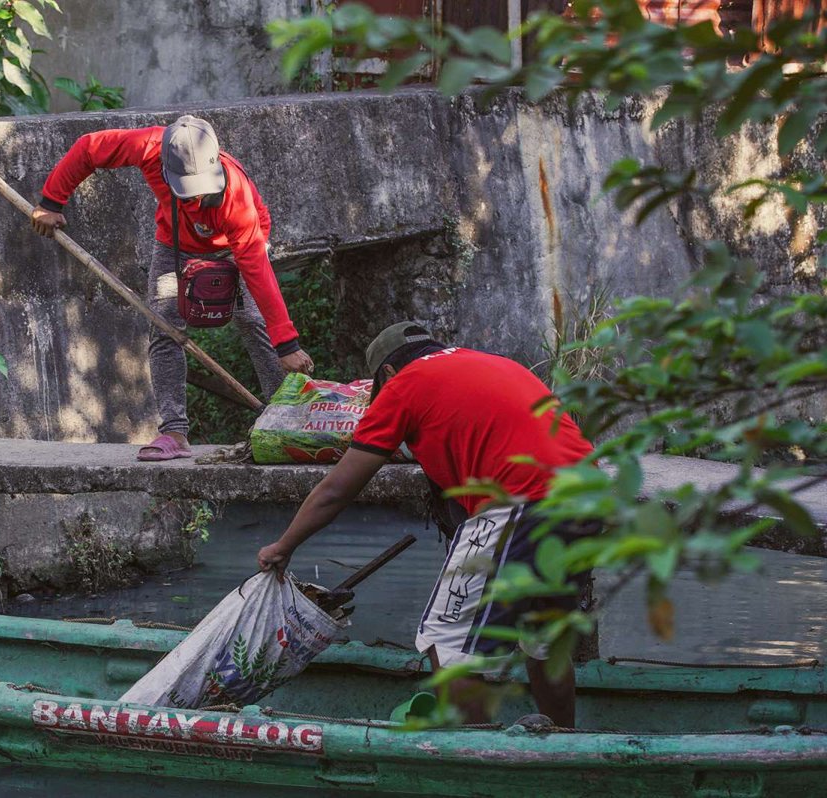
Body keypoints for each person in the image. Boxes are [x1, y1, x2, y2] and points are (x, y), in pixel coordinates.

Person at [256, 322, 598, 727]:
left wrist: (284, 545)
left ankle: (473, 761)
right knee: (544, 643)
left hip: (519, 503)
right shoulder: (491, 363)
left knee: (446, 641)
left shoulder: (404, 385)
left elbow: (337, 490)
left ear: (385, 374)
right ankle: (564, 748)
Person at [30, 115, 314, 460]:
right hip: (174, 243)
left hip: (235, 243)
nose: (194, 199)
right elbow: (89, 148)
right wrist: (51, 202)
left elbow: (256, 268)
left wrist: (287, 342)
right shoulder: (148, 146)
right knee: (165, 326)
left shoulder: (235, 197)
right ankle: (174, 433)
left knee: (253, 321)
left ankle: (284, 418)